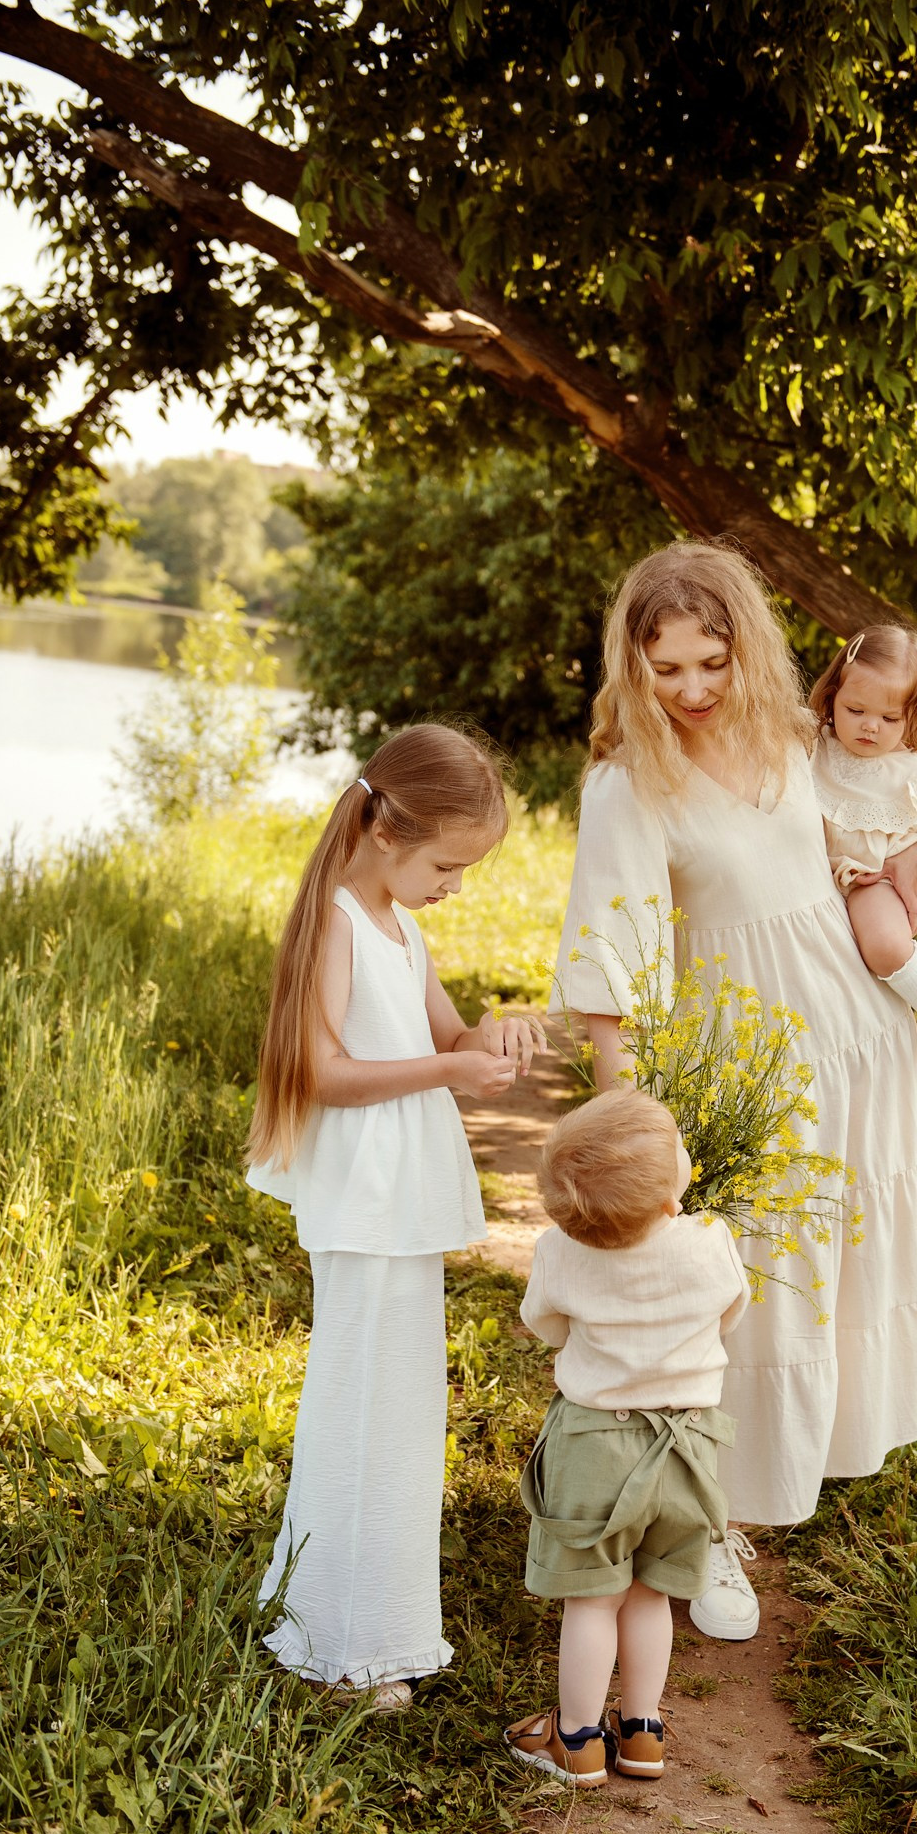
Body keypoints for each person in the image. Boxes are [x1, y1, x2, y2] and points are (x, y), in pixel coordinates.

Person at [552, 539, 917, 1643]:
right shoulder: (626, 782)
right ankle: (709, 1519)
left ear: (744, 646)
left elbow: (880, 839)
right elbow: (608, 959)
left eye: (711, 660)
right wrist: (628, 1124)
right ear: (634, 665)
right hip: (744, 1053)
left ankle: (790, 1476)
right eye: (666, 669)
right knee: (745, 1278)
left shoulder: (800, 739)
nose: (693, 689)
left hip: (859, 1033)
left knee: (833, 1258)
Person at [246, 724, 545, 1709]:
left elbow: (448, 1031)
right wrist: (452, 1069)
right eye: (446, 863)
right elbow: (321, 1072)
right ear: (385, 829)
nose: (454, 883)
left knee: (403, 1409)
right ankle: (337, 1641)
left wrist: (487, 1035)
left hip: (399, 1200)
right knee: (359, 1407)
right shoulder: (336, 918)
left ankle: (378, 1624)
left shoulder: (401, 926)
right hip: (362, 1194)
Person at [505, 1088, 748, 1787]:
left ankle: (576, 1742)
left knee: (593, 1598)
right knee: (651, 1595)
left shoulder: (559, 1249)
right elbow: (729, 1315)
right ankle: (641, 1731)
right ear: (671, 1198)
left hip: (593, 1446)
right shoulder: (708, 1242)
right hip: (688, 1447)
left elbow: (544, 1323)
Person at [810, 624, 917, 1064]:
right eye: (855, 710)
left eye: (889, 719)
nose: (870, 727)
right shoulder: (814, 747)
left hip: (875, 881)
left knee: (885, 942)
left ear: (912, 716)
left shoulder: (913, 773)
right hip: (814, 877)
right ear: (832, 697)